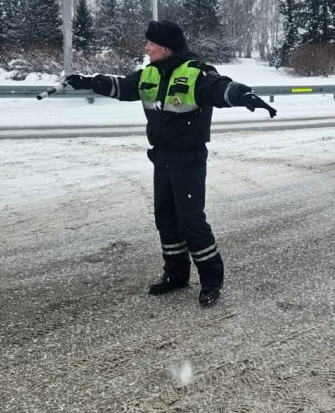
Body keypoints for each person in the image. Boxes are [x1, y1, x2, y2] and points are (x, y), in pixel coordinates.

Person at [65, 20, 277, 307]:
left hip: (188, 158)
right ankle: (176, 275)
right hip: (161, 156)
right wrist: (88, 82)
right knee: (165, 218)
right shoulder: (150, 74)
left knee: (191, 221)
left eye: (150, 44)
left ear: (165, 48)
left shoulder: (195, 72)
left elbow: (218, 87)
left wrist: (243, 95)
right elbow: (123, 87)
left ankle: (212, 281)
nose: (146, 48)